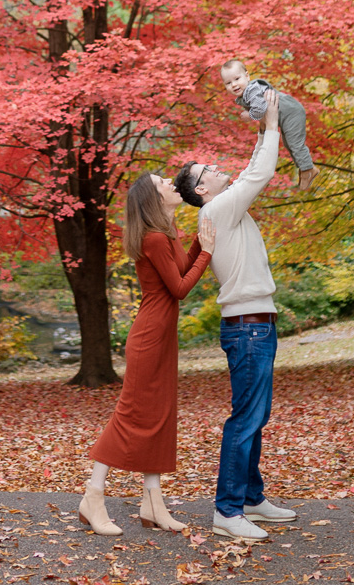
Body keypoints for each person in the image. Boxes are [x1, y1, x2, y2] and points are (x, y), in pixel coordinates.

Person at [173, 91, 297, 543]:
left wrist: (261, 122)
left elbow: (248, 170)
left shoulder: (224, 205)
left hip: (257, 325)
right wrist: (271, 124)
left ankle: (249, 497)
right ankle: (227, 510)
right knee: (245, 417)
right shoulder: (217, 208)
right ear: (202, 189)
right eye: (206, 170)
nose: (215, 166)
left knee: (255, 415)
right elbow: (260, 172)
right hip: (248, 330)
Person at [79, 172, 216, 536]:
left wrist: (201, 245)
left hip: (161, 336)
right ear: (152, 198)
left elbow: (181, 269)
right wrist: (209, 252)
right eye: (163, 183)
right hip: (149, 337)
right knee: (130, 415)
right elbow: (180, 288)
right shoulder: (154, 237)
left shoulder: (165, 232)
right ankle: (93, 496)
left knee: (160, 415)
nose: (173, 183)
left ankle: (153, 503)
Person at [221, 59, 319, 188]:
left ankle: (308, 169)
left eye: (237, 79)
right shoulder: (246, 94)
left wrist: (249, 115)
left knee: (295, 143)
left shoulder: (252, 90)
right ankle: (304, 167)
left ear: (247, 76)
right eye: (228, 83)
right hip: (285, 114)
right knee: (288, 143)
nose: (234, 85)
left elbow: (260, 109)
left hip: (290, 112)